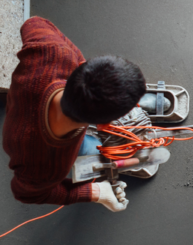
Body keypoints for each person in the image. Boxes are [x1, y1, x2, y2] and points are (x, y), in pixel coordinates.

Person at [2, 16, 146, 212]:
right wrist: (96, 192)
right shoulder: (46, 167)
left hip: (23, 109)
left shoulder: (53, 52)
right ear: (105, 125)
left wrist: (78, 60)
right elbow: (26, 194)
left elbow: (33, 23)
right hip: (31, 144)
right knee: (94, 151)